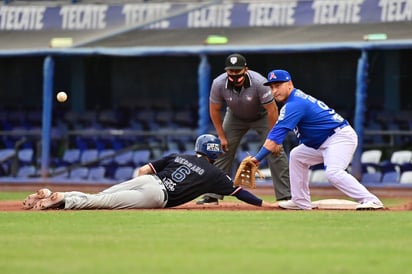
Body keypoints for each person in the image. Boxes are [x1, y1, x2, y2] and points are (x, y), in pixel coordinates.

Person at [22, 134, 279, 210]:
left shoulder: (179, 155)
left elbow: (144, 168)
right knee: (103, 203)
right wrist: (264, 203)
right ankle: (62, 200)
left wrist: (138, 185)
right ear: (214, 155)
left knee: (101, 194)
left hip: (148, 179)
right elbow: (240, 193)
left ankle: (54, 193)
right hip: (157, 195)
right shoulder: (214, 174)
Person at [251, 69, 384, 210]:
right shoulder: (295, 99)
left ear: (289, 84)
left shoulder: (294, 104)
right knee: (297, 155)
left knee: (333, 172)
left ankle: (371, 200)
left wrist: (256, 159)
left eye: (278, 85)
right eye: (272, 87)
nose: (274, 91)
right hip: (323, 141)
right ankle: (300, 201)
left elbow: (275, 137)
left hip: (339, 137)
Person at [197, 53, 291, 205]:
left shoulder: (259, 82)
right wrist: (221, 136)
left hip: (262, 116)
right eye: (231, 71)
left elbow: (272, 110)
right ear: (226, 71)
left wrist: (275, 138)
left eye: (237, 71)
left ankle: (285, 196)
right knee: (221, 150)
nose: (234, 75)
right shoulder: (218, 83)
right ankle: (212, 195)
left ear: (245, 70)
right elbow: (214, 110)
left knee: (275, 150)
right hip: (235, 117)